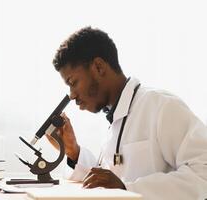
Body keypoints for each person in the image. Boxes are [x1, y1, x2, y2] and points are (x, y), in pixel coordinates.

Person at [46, 26, 207, 200]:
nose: (72, 95)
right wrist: (73, 152)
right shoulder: (115, 118)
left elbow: (202, 173)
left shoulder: (162, 105)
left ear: (98, 67)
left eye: (73, 82)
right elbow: (108, 179)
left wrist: (127, 188)